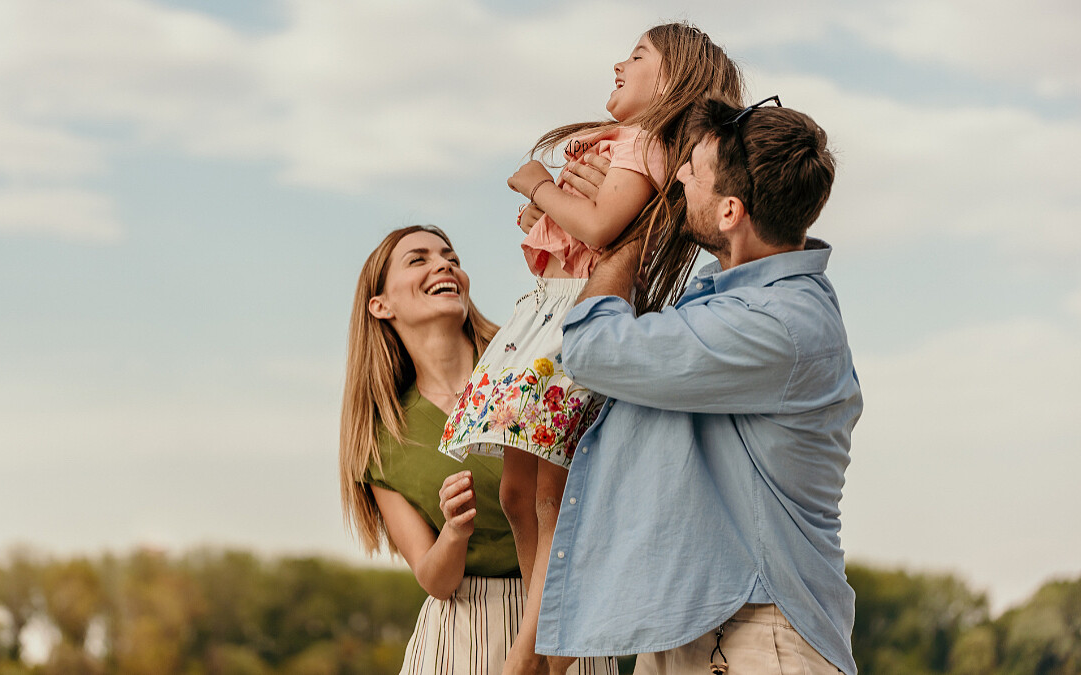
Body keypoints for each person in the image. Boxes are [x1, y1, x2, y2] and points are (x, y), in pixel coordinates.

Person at [437, 23, 742, 674]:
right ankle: (541, 635)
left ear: (672, 80)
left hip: (574, 321)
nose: (618, 63)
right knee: (519, 495)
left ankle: (531, 657)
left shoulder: (644, 143)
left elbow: (604, 228)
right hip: (545, 315)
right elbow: (586, 234)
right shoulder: (619, 146)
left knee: (551, 499)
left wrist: (538, 187)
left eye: (637, 56)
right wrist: (550, 214)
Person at [535, 97, 863, 675]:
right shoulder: (731, 301)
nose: (677, 175)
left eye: (694, 170)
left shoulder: (775, 324)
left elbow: (593, 348)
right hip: (698, 625)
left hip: (759, 635)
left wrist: (630, 234)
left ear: (731, 210)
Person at [339, 225, 618, 674]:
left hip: (561, 614)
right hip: (461, 635)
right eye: (419, 259)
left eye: (450, 256)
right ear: (380, 305)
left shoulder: (531, 363)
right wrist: (453, 531)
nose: (443, 264)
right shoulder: (379, 441)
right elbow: (433, 579)